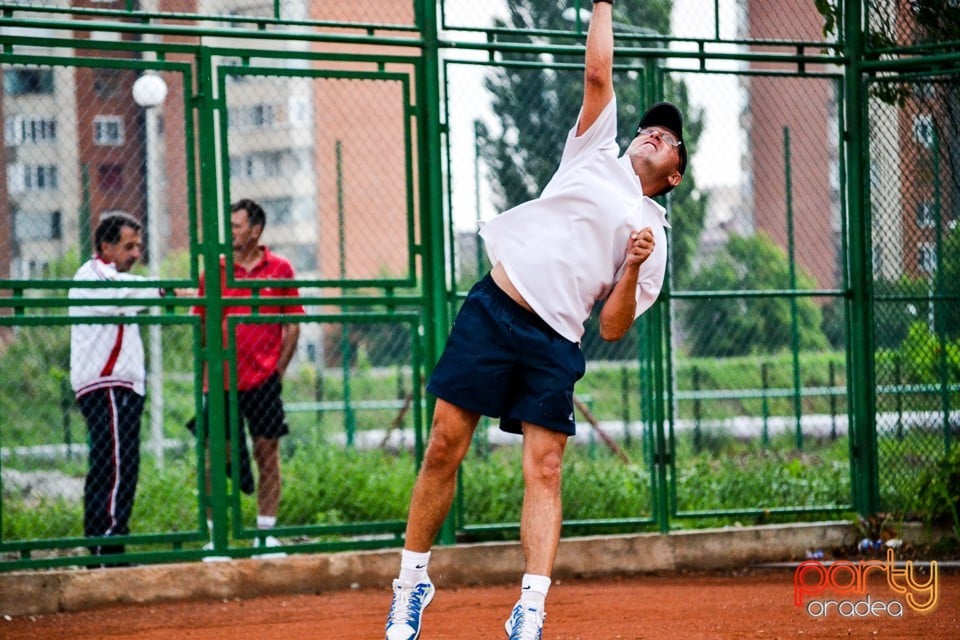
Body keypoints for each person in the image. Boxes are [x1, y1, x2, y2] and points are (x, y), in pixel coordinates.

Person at [384, 2, 687, 639]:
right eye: (650, 128)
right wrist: (602, 3)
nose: (653, 133)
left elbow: (611, 328)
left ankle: (532, 609)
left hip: (554, 339)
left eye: (667, 138)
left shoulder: (654, 234)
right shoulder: (593, 151)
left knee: (544, 468)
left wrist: (631, 269)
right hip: (494, 309)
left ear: (675, 174)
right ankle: (411, 583)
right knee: (445, 444)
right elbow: (599, 75)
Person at [193, 199, 303, 553]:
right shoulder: (215, 269)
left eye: (237, 226)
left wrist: (278, 371)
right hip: (222, 381)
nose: (231, 233)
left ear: (255, 230)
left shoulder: (280, 269)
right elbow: (200, 323)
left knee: (267, 454)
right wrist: (212, 363)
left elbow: (293, 324)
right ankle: (214, 538)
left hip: (263, 382)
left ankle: (265, 534)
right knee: (215, 456)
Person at [69, 212, 166, 565]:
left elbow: (126, 292)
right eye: (128, 246)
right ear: (105, 246)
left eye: (138, 245)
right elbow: (122, 293)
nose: (136, 252)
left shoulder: (113, 275)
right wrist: (165, 287)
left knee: (119, 465)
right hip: (105, 385)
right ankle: (107, 550)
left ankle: (105, 547)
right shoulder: (94, 274)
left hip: (121, 385)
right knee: (114, 465)